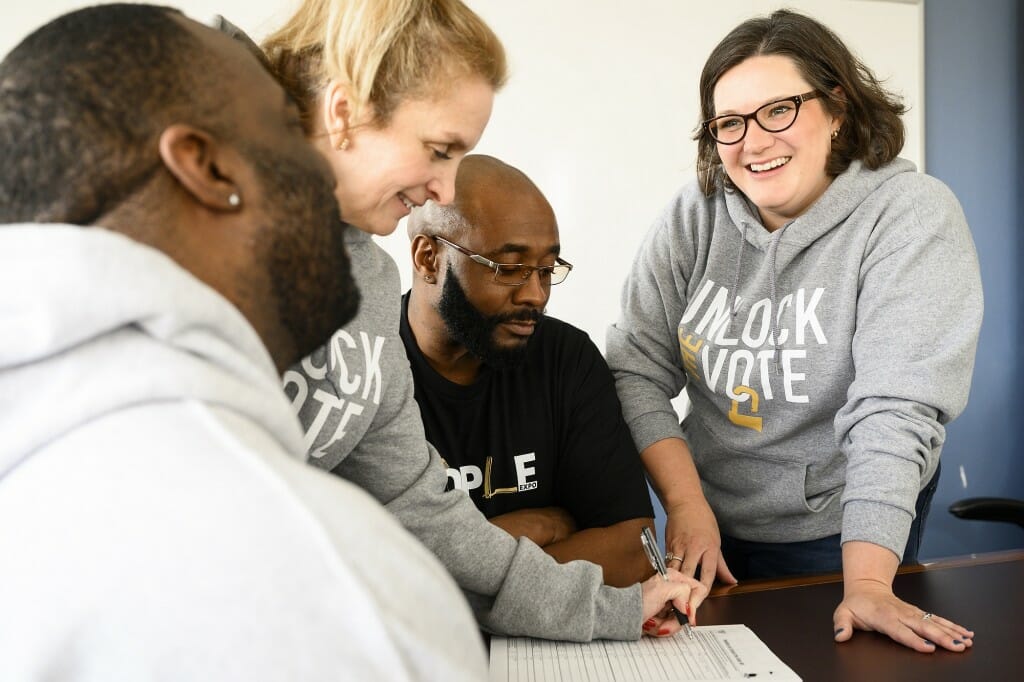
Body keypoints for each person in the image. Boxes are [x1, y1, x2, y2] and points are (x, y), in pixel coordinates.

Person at [0, 5, 488, 679]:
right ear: (207, 167)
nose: (316, 165)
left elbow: (410, 490)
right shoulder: (358, 603)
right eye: (286, 129)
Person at [262, 0, 703, 640]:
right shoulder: (201, 230)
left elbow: (419, 505)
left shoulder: (363, 281)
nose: (443, 189)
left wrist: (609, 608)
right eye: (439, 150)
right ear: (345, 112)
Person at [606, 8, 982, 654]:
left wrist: (865, 581)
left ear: (837, 106)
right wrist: (687, 504)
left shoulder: (910, 217)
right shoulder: (693, 218)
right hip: (708, 529)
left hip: (840, 532)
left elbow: (892, 411)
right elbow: (635, 365)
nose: (753, 142)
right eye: (730, 122)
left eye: (779, 109)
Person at [402, 154, 655, 588]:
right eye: (510, 268)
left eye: (546, 270)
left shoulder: (564, 358)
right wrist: (525, 532)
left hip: (550, 653)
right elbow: (378, 579)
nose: (535, 295)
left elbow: (635, 549)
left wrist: (453, 572)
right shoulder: (368, 366)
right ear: (429, 258)